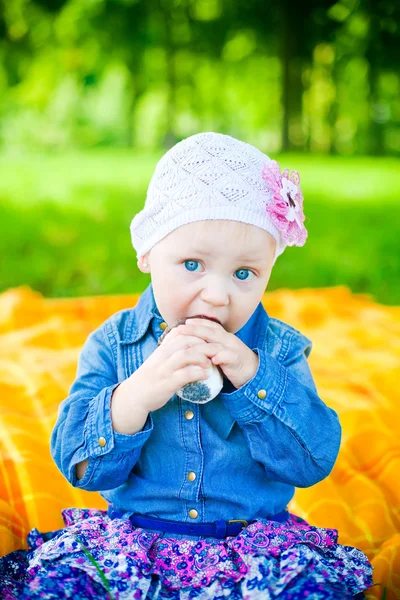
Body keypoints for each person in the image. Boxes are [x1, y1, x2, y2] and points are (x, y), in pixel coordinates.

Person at [0, 132, 373, 599]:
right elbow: (80, 466)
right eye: (192, 264)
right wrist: (134, 396)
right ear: (148, 253)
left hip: (254, 544)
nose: (217, 295)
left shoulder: (280, 351)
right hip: (134, 542)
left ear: (268, 271)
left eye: (244, 274)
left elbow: (311, 460)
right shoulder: (115, 344)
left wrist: (254, 375)